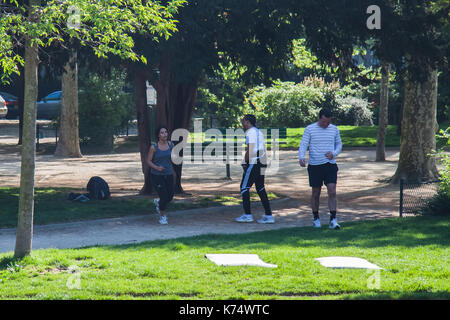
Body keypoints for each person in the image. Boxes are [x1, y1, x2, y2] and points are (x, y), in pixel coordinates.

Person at [298, 107, 342, 229]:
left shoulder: (334, 129)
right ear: (320, 118)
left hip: (330, 164)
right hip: (315, 165)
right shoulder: (310, 129)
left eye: (328, 121)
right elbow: (303, 144)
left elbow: (339, 144)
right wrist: (301, 157)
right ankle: (316, 218)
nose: (326, 124)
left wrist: (334, 153)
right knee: (316, 193)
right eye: (324, 121)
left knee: (332, 191)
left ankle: (333, 219)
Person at [235, 114, 274, 224]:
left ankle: (247, 215)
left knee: (244, 187)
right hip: (263, 160)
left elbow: (250, 149)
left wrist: (244, 161)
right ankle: (269, 215)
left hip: (255, 161)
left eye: (244, 121)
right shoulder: (258, 132)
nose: (243, 123)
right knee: (260, 188)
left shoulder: (249, 132)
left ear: (247, 122)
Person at [147, 126, 174, 225]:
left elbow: (173, 158)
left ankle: (158, 203)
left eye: (166, 132)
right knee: (163, 196)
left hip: (169, 174)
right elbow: (148, 161)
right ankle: (163, 216)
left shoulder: (171, 144)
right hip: (157, 175)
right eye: (162, 133)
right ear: (158, 135)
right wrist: (157, 168)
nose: (165, 134)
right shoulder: (154, 147)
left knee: (170, 196)